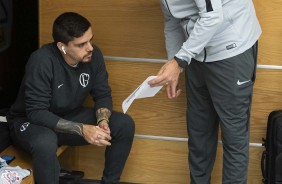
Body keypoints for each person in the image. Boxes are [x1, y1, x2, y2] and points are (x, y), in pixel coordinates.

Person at [6, 12, 135, 184]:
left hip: (68, 115)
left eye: (90, 40)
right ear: (62, 47)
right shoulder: (41, 60)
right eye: (81, 44)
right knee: (45, 141)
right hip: (31, 122)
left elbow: (102, 93)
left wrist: (102, 119)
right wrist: (82, 129)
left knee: (124, 124)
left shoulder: (93, 55)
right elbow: (36, 112)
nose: (90, 47)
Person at [149, 0, 261, 183]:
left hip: (231, 49)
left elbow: (212, 16)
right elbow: (171, 20)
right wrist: (175, 65)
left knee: (234, 137)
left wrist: (178, 61)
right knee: (198, 134)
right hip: (195, 52)